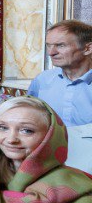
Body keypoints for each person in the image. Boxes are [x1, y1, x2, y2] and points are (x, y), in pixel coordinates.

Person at [29, 20, 92, 172]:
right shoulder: (42, 80)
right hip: (48, 163)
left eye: (60, 45)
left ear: (87, 48)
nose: (51, 52)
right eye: (49, 45)